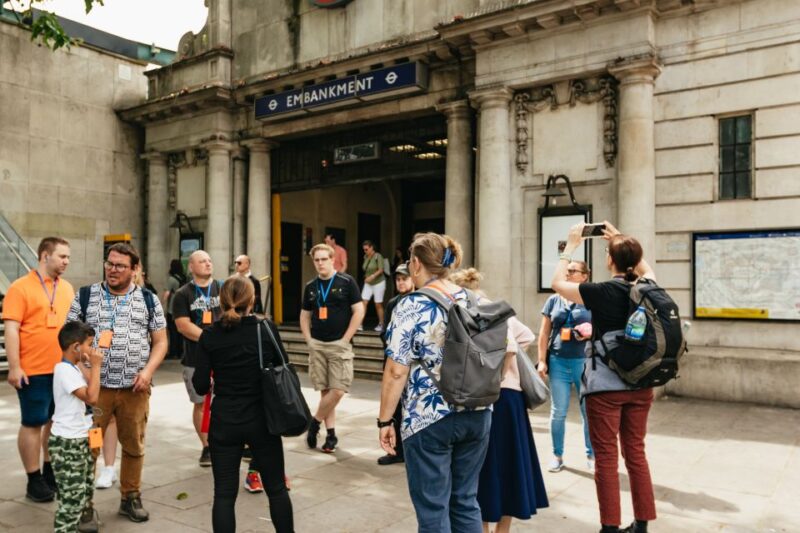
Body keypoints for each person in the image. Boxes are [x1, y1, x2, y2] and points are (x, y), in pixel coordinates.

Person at [378, 232, 491, 533]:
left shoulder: (410, 305)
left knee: (433, 509)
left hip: (429, 418)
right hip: (477, 411)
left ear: (415, 264)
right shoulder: (474, 298)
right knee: (466, 501)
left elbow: (396, 371)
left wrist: (384, 420)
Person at [551, 221, 658, 533]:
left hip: (606, 387)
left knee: (607, 459)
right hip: (640, 384)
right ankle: (641, 525)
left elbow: (557, 283)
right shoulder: (648, 286)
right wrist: (620, 239)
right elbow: (644, 266)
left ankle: (609, 527)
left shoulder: (601, 292)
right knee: (636, 454)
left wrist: (570, 246)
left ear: (610, 261)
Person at [65, 242, 168, 528]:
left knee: (134, 444)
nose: (112, 270)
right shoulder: (85, 296)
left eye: (120, 265)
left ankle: (130, 497)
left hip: (134, 390)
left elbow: (160, 342)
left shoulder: (149, 300)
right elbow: (68, 340)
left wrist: (147, 371)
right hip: (95, 393)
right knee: (91, 446)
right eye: (109, 263)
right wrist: (85, 370)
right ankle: (84, 505)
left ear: (135, 270)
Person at [450, 268, 549, 533]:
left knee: (481, 470)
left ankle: (480, 528)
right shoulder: (499, 309)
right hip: (511, 398)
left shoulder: (462, 311)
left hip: (486, 396)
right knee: (511, 467)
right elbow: (524, 336)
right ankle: (502, 531)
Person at [193, 276, 294, 533]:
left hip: (225, 420)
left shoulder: (209, 335)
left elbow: (201, 385)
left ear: (222, 301)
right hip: (262, 419)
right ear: (253, 300)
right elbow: (284, 365)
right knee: (276, 489)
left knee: (224, 495)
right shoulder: (265, 328)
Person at [2, 236, 74, 503]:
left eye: (68, 257)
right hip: (32, 370)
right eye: (62, 256)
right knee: (33, 423)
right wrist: (15, 367)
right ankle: (33, 480)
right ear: (45, 255)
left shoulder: (66, 288)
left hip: (63, 371)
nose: (67, 262)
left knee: (56, 423)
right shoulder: (20, 288)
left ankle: (50, 471)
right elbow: (11, 330)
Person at [300, 243, 364, 454]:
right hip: (317, 344)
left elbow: (359, 311)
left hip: (340, 344)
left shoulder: (347, 282)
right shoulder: (311, 286)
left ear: (332, 259)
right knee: (325, 391)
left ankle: (314, 422)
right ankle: (331, 435)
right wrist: (308, 339)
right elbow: (305, 315)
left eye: (323, 259)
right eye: (316, 260)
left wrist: (346, 338)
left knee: (338, 390)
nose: (320, 263)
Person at [537, 260, 595, 473]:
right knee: (558, 411)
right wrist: (542, 360)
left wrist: (590, 332)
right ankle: (557, 455)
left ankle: (592, 455)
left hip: (584, 362)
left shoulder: (590, 299)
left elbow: (602, 328)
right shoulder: (553, 300)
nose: (568, 274)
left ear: (584, 276)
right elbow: (543, 333)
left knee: (588, 411)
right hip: (558, 361)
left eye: (573, 271)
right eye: (567, 270)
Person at [49, 321, 102, 533]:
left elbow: (91, 384)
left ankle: (79, 522)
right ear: (75, 347)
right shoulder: (63, 370)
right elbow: (93, 397)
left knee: (84, 489)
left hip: (81, 437)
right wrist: (96, 365)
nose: (92, 349)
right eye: (89, 344)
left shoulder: (73, 367)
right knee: (71, 500)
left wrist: (85, 363)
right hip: (68, 443)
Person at [173, 250, 222, 467]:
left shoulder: (223, 288)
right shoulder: (183, 294)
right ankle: (207, 446)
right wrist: (210, 339)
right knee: (201, 403)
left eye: (209, 260)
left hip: (224, 358)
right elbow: (182, 325)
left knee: (226, 401)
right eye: (202, 261)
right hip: (195, 358)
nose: (208, 264)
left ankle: (226, 441)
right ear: (191, 267)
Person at [376, 261, 414, 466]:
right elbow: (386, 331)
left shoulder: (419, 300)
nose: (400, 282)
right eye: (398, 279)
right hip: (394, 359)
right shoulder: (392, 303)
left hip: (412, 365)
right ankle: (396, 450)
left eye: (404, 278)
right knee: (395, 405)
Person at [163, 259, 187, 359]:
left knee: (172, 331)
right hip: (183, 308)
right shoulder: (184, 278)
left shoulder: (171, 279)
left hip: (172, 309)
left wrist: (161, 304)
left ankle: (173, 352)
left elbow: (167, 293)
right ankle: (180, 351)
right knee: (180, 331)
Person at [360, 240, 386, 332]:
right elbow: (366, 268)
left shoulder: (378, 256)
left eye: (366, 249)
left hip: (378, 282)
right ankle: (359, 323)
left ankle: (381, 324)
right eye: (364, 250)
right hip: (368, 283)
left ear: (371, 248)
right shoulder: (365, 257)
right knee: (364, 302)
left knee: (378, 304)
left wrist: (372, 276)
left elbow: (381, 270)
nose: (365, 251)